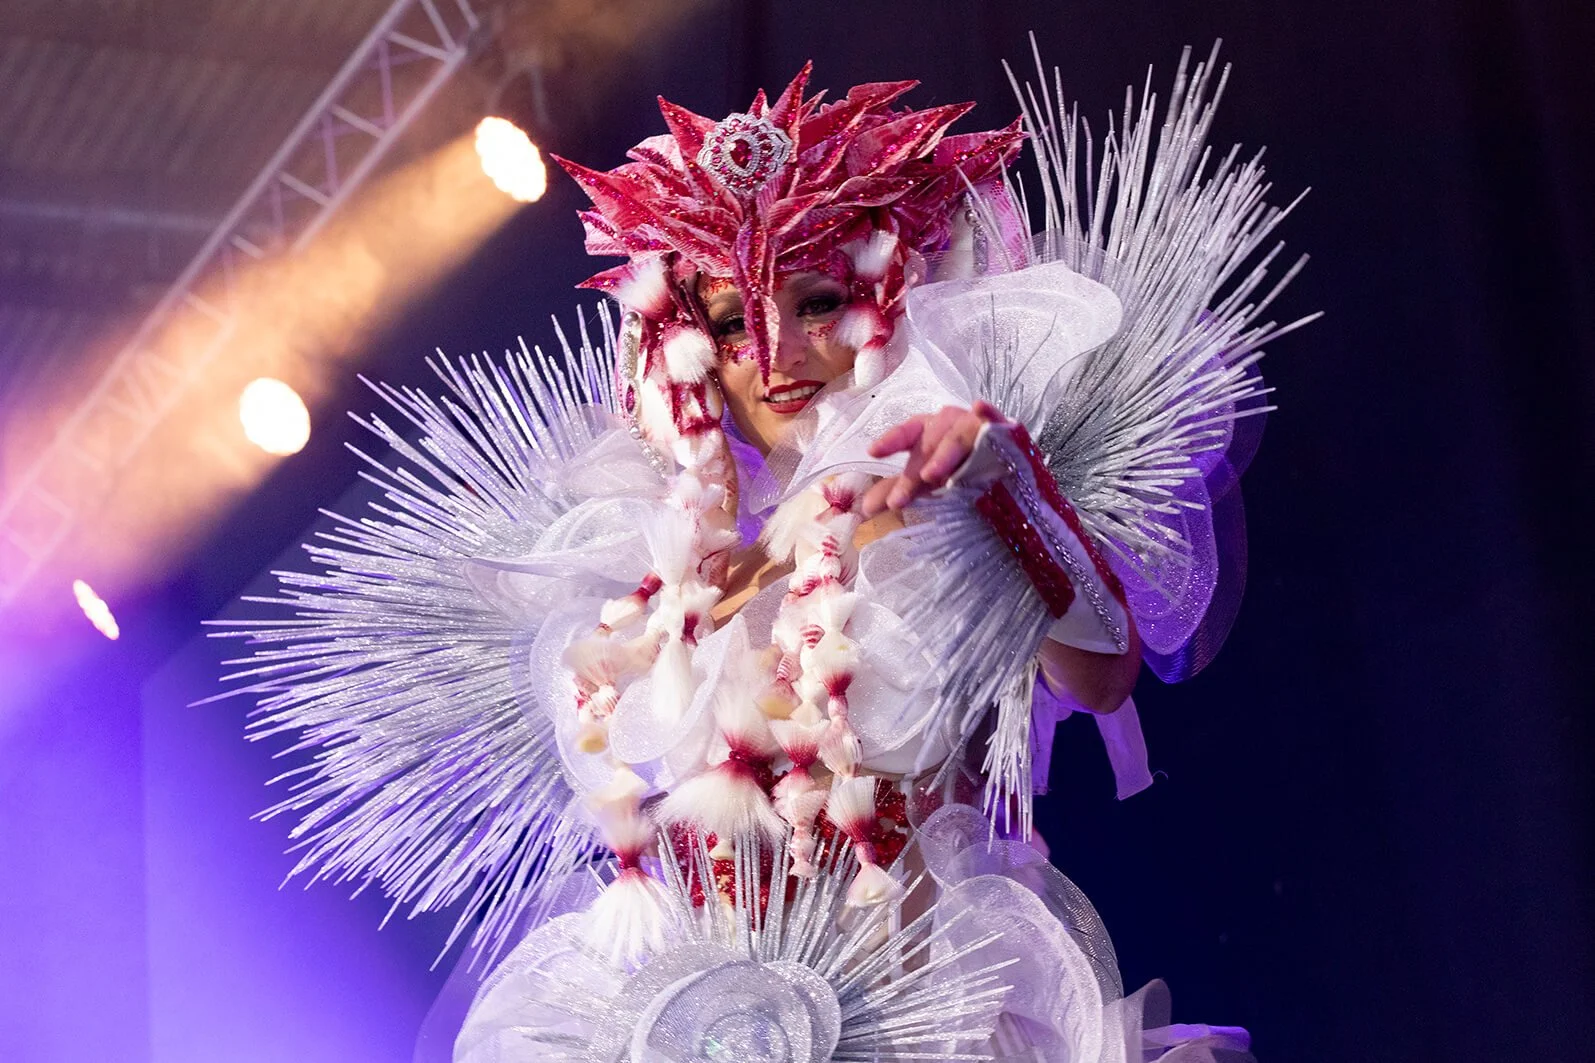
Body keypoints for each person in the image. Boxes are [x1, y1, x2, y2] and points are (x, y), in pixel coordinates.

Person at [227, 45, 1305, 1062]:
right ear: (681, 345)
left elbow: (1102, 672)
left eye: (820, 300)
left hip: (934, 1012)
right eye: (732, 322)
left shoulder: (941, 505)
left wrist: (1001, 481)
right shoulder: (638, 568)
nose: (777, 353)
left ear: (889, 296)